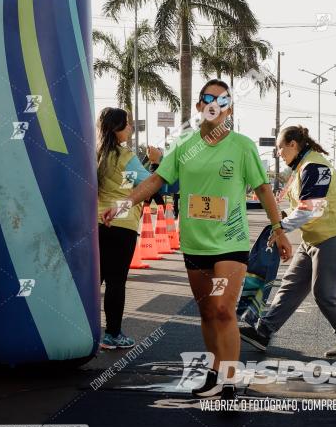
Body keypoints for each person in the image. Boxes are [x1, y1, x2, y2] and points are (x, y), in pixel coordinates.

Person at [102, 79, 292, 398]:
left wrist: (278, 228)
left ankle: (228, 380)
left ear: (229, 108)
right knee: (206, 311)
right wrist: (124, 203)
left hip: (230, 244)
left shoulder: (242, 146)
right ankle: (215, 371)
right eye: (208, 98)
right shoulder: (185, 145)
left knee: (222, 310)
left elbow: (262, 189)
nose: (214, 104)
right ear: (199, 106)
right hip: (194, 243)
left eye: (222, 99)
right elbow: (157, 180)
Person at [240, 125, 336, 359]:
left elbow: (311, 209)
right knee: (291, 285)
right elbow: (299, 208)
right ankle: (263, 332)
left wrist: (279, 228)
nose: (278, 153)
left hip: (333, 236)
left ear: (293, 145)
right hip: (313, 238)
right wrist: (280, 223)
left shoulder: (315, 166)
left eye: (280, 148)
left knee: (325, 294)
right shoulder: (302, 168)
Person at [96, 107, 162, 350]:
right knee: (116, 281)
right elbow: (148, 184)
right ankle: (112, 334)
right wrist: (155, 163)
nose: (131, 128)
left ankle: (88, 330)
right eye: (128, 124)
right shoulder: (125, 156)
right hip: (122, 224)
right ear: (116, 129)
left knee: (96, 279)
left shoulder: (94, 154)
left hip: (96, 223)